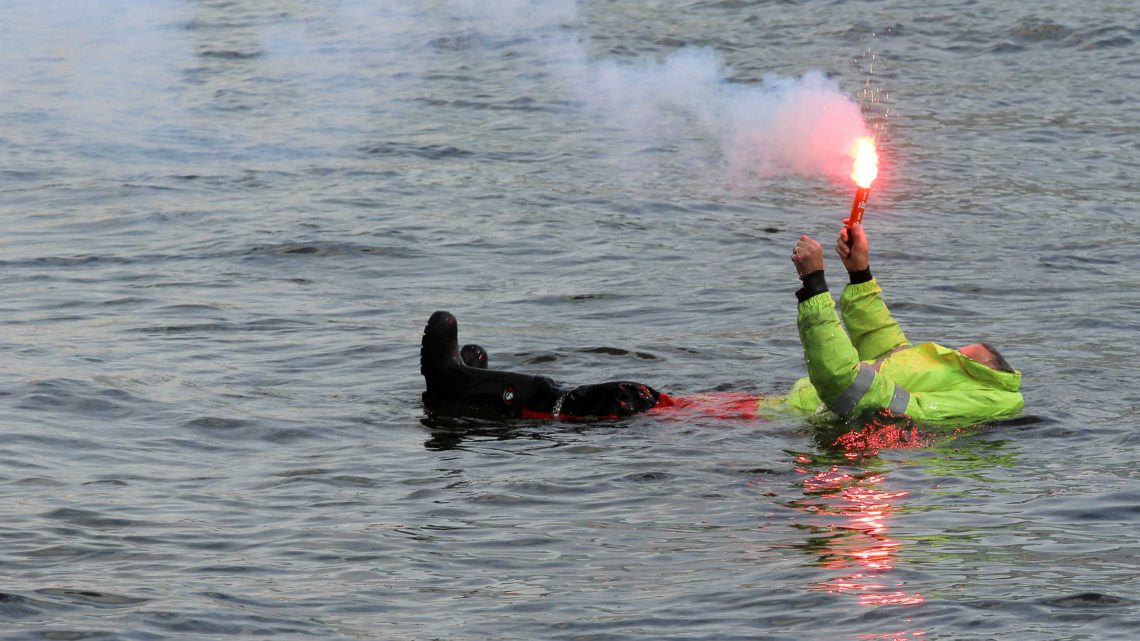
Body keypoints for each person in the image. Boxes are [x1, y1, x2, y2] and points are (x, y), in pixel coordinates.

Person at [420, 225, 1023, 424]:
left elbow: (851, 388)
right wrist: (859, 275)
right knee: (630, 400)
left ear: (976, 366)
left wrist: (815, 288)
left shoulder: (960, 402)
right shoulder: (956, 379)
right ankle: (476, 387)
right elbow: (888, 350)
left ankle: (460, 394)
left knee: (620, 402)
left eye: (955, 353)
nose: (939, 352)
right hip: (762, 410)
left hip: (759, 431)